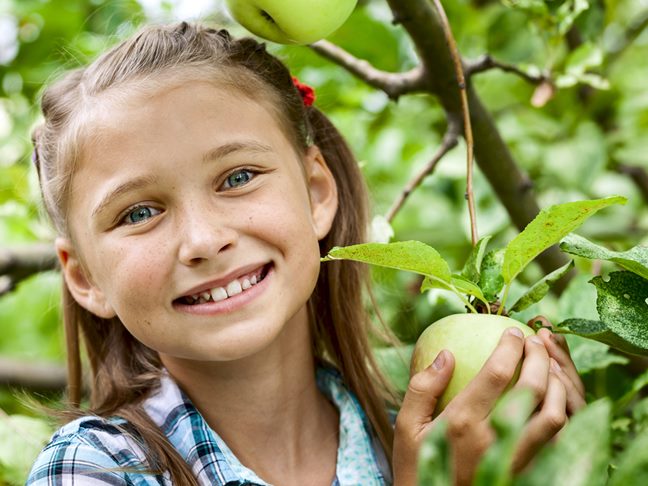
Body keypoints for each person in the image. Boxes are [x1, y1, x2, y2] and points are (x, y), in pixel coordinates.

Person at [27, 21, 585, 486]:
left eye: (238, 177)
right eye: (139, 213)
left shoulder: (421, 437)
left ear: (316, 192)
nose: (203, 240)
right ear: (84, 279)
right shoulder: (95, 469)